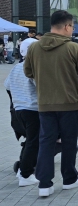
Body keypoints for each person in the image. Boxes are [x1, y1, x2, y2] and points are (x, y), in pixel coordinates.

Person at [24, 10, 78, 197]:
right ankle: (69, 179)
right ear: (67, 26)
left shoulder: (34, 47)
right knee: (69, 142)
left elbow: (28, 72)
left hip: (45, 103)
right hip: (69, 103)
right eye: (73, 27)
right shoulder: (73, 47)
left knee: (46, 142)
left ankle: (44, 184)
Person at [4, 38, 40, 186]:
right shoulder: (33, 67)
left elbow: (7, 86)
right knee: (34, 141)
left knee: (31, 140)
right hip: (33, 109)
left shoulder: (17, 67)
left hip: (18, 109)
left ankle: (22, 169)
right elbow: (40, 87)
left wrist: (17, 97)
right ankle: (25, 174)